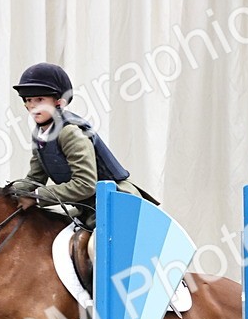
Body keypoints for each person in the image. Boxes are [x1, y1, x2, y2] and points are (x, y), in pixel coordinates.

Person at [9, 63, 152, 228]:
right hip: (87, 208)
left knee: (92, 248)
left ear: (59, 102)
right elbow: (35, 178)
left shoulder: (70, 132)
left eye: (40, 99)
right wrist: (6, 193)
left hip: (114, 205)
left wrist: (36, 197)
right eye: (28, 100)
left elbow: (85, 184)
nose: (33, 105)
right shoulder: (41, 135)